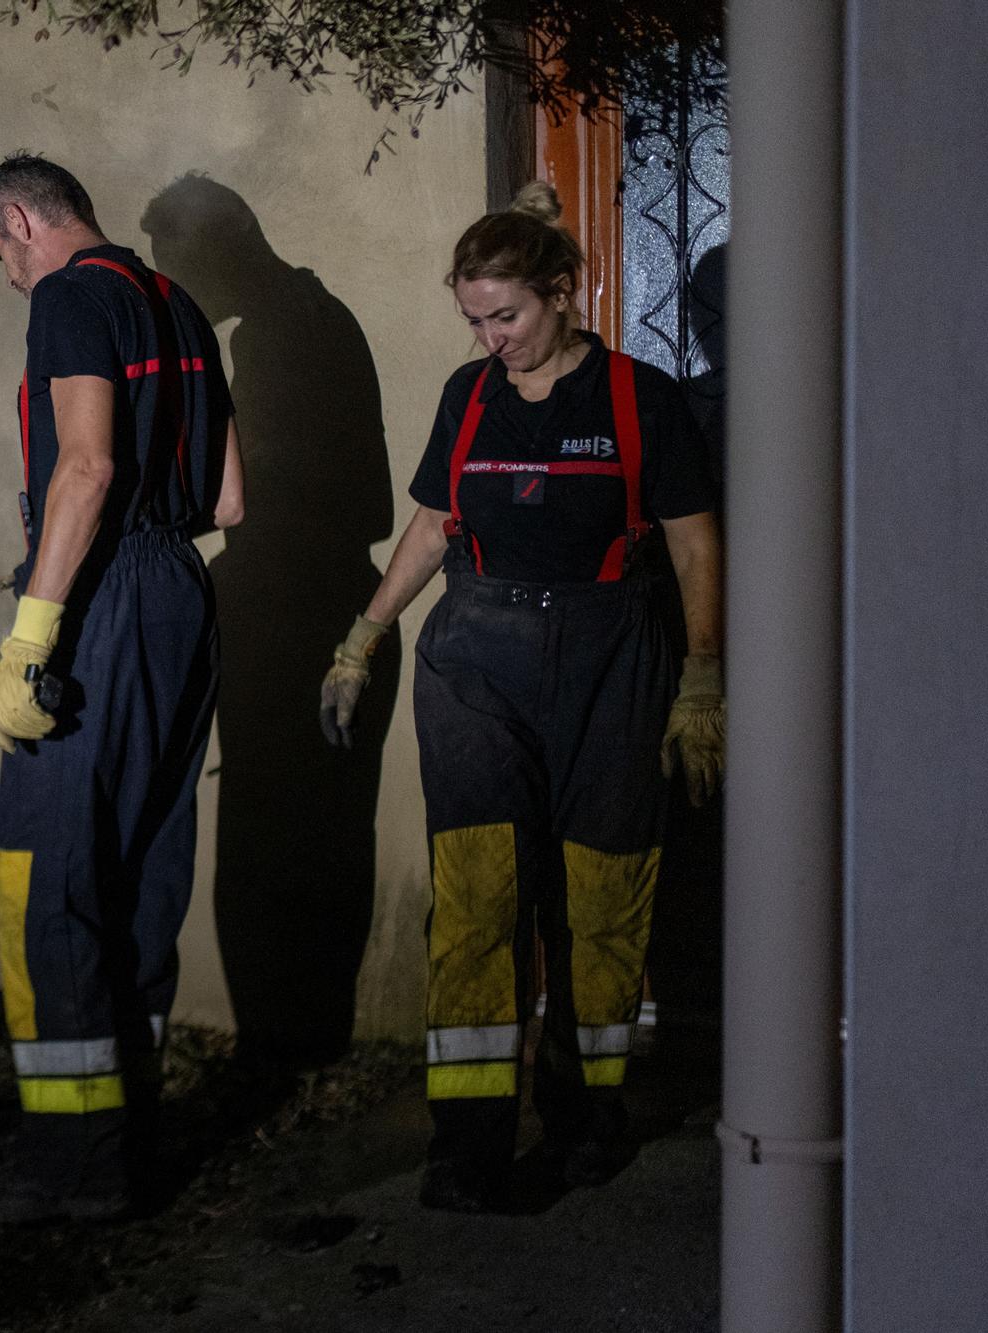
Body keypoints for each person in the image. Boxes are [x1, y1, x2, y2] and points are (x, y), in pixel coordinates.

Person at [320, 182, 725, 1213]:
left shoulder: (641, 400)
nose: (489, 338)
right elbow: (429, 525)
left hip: (609, 653)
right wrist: (364, 634)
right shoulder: (467, 399)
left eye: (506, 315)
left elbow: (690, 544)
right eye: (473, 320)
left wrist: (700, 678)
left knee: (598, 898)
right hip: (475, 657)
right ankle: (466, 1141)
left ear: (562, 291)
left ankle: (588, 1115)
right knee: (478, 898)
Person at [0, 152, 245, 1223]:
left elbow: (82, 470)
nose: (6, 275)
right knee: (139, 875)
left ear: (22, 220)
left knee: (46, 879)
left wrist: (30, 637)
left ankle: (74, 1165)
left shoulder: (70, 298)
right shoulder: (176, 307)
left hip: (104, 603)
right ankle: (130, 1139)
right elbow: (226, 498)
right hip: (181, 592)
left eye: (0, 253)